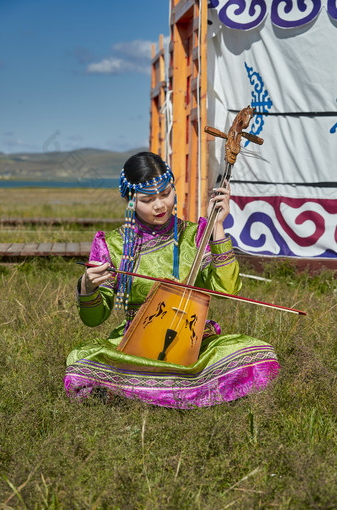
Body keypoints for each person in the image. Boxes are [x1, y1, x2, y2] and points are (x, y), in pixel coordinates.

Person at [64, 152, 279, 408]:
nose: (160, 206)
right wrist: (87, 287)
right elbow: (94, 319)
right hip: (135, 343)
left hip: (194, 340)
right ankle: (193, 389)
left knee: (261, 354)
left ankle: (138, 392)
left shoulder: (194, 234)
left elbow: (227, 288)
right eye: (147, 199)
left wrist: (218, 227)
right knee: (79, 363)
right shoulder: (112, 245)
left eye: (165, 194)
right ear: (129, 200)